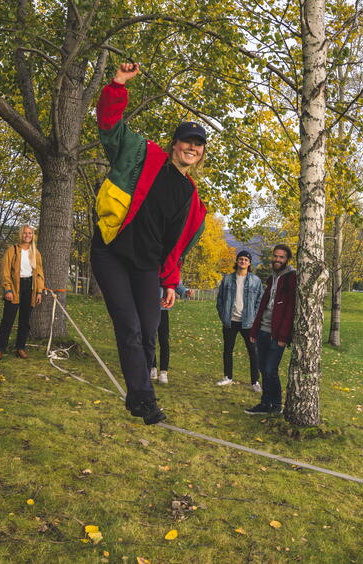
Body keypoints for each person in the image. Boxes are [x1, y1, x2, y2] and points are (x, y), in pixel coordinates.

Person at [91, 63, 207, 425]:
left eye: (198, 144)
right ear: (175, 144)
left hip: (147, 266)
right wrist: (118, 85)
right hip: (112, 251)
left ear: (202, 153)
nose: (191, 147)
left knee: (149, 331)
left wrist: (170, 282)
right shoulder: (143, 154)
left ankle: (137, 397)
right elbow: (110, 126)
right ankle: (145, 400)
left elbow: (174, 248)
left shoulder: (193, 200)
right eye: (186, 141)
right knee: (129, 327)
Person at [245, 244, 296, 415]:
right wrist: (254, 330)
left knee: (270, 370)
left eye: (281, 257)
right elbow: (262, 306)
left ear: (287, 259)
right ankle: (265, 404)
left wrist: (283, 336)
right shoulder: (272, 277)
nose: (277, 259)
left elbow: (290, 309)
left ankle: (277, 405)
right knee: (263, 369)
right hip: (263, 330)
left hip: (277, 334)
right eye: (275, 256)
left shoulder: (291, 278)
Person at [0, 225, 45, 360]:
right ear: (21, 234)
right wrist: (8, 289)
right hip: (15, 287)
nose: (27, 235)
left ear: (33, 235)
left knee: (25, 321)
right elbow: (5, 271)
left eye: (30, 233)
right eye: (25, 233)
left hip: (30, 288)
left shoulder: (35, 253)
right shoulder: (12, 250)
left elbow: (39, 274)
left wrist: (39, 291)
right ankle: (0, 349)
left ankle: (20, 348)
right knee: (7, 320)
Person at [215, 250, 264, 391]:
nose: (243, 261)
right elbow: (220, 299)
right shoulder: (227, 279)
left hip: (248, 322)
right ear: (237, 261)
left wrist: (254, 317)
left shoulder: (255, 281)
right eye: (241, 259)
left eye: (246, 260)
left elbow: (260, 301)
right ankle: (227, 377)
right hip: (230, 321)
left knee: (253, 352)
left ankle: (255, 381)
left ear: (249, 263)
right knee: (227, 350)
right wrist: (223, 315)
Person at [149, 282, 193, 384]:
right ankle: (152, 368)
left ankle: (163, 372)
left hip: (163, 310)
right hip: (149, 308)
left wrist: (186, 291)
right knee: (150, 339)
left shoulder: (167, 273)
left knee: (164, 340)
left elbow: (175, 282)